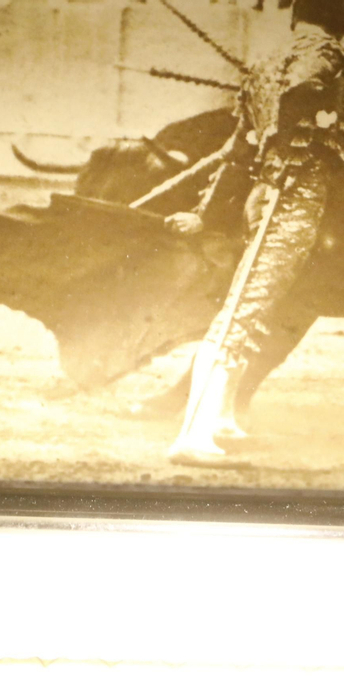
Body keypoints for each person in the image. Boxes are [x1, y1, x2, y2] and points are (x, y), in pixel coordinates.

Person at [165, 0, 344, 464]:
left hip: (263, 199)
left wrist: (205, 214)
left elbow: (239, 151)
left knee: (264, 300)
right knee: (247, 305)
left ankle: (220, 417)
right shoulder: (324, 56)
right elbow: (307, 113)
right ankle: (192, 435)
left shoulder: (265, 64)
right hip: (297, 201)